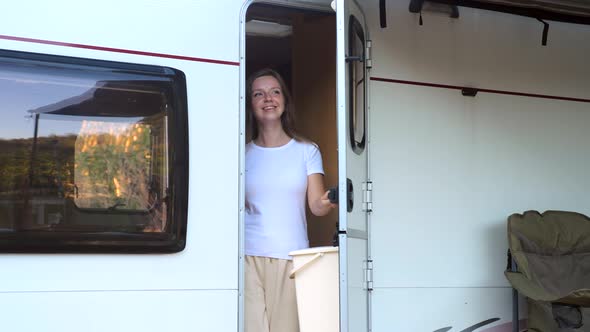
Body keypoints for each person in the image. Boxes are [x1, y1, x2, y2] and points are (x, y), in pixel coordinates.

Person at [244, 68, 336, 332]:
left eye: (275, 92)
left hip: (290, 257)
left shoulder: (307, 151)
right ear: (251, 104)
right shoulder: (242, 154)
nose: (268, 98)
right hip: (248, 256)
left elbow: (317, 206)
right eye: (258, 94)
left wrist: (333, 198)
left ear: (284, 100)